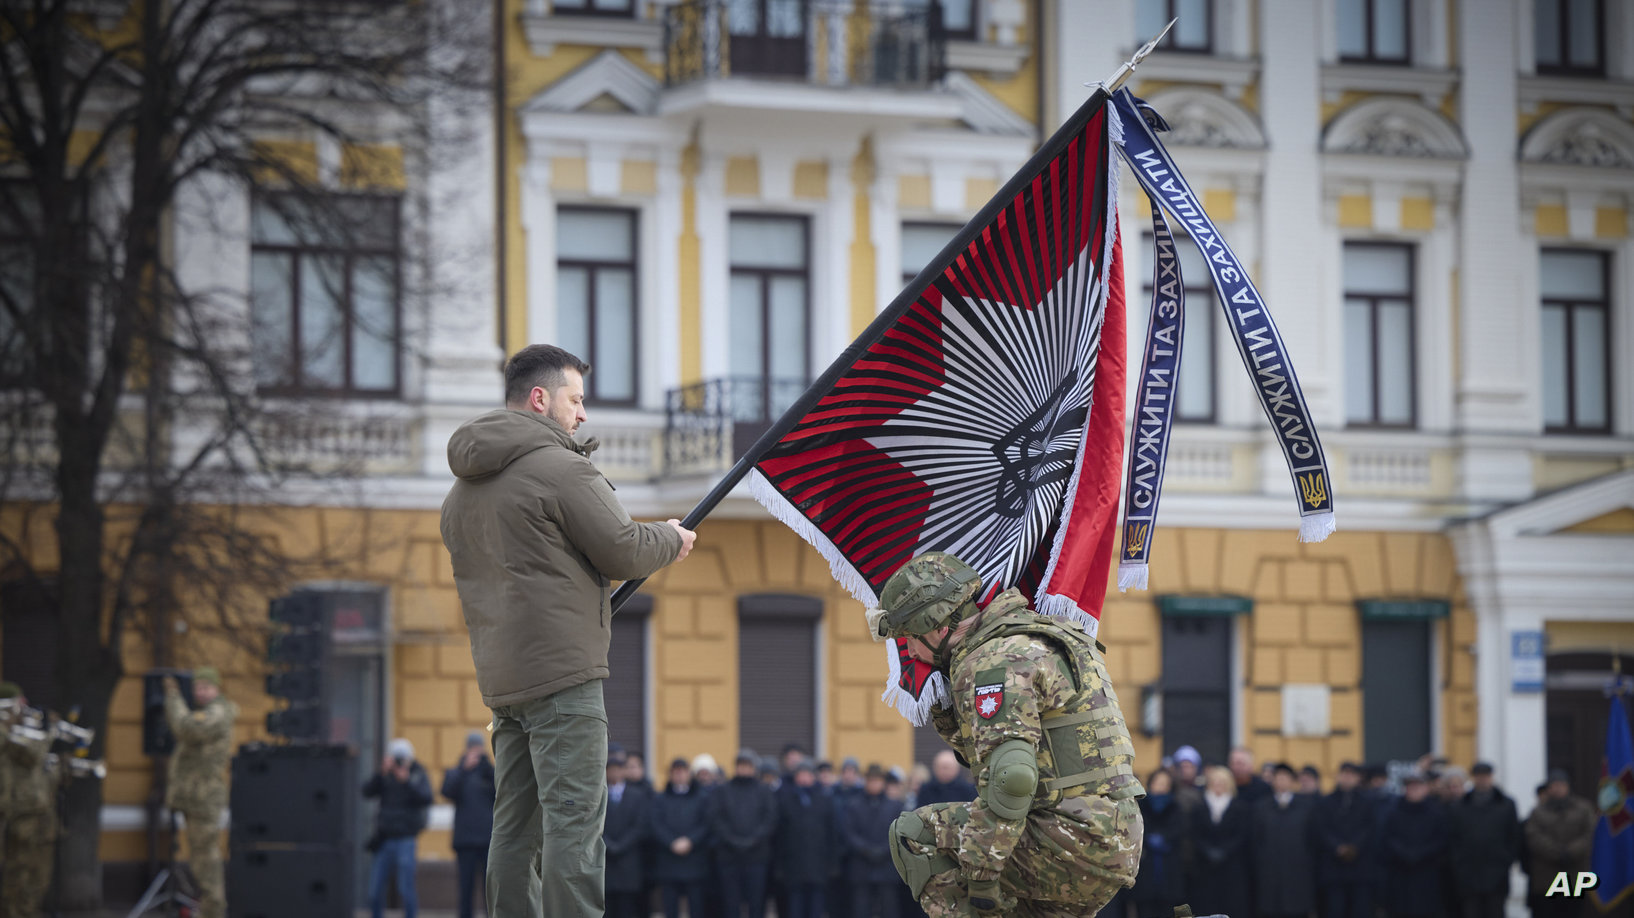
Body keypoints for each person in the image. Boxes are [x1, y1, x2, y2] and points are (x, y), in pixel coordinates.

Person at [440, 343, 695, 918]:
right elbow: (624, 548)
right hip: (564, 680)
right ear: (540, 398)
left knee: (513, 831)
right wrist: (672, 537)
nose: (582, 414)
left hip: (504, 683)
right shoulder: (561, 468)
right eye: (575, 400)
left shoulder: (461, 492)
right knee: (574, 827)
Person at [876, 552, 1144, 917]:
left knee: (912, 833)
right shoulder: (1040, 636)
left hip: (1068, 839)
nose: (908, 651)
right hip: (1113, 837)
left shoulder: (991, 660)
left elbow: (1013, 778)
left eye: (910, 637)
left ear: (937, 627)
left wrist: (982, 875)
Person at [162, 667, 238, 918]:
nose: (200, 692)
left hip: (204, 799)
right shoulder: (205, 711)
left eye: (206, 687)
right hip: (195, 798)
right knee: (199, 859)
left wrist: (173, 697)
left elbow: (187, 728)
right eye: (197, 687)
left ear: (217, 689)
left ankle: (213, 911)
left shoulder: (218, 712)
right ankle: (208, 910)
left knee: (205, 860)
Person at [1, 683, 59, 918]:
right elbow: (33, 755)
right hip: (18, 814)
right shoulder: (8, 735)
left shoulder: (15, 734)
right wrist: (48, 731)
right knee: (17, 873)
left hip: (33, 813)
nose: (22, 711)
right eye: (18, 706)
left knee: (34, 876)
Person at [363, 738, 434, 918]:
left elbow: (426, 798)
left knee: (406, 888)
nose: (399, 763)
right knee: (374, 891)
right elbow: (367, 792)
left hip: (406, 838)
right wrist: (381, 773)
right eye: (396, 759)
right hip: (384, 839)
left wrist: (407, 781)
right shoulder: (386, 775)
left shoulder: (417, 772)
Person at [711, 749, 779, 918]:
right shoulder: (723, 790)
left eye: (747, 765)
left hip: (757, 857)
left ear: (754, 768)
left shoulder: (763, 791)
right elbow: (716, 818)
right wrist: (733, 840)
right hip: (729, 856)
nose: (744, 769)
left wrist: (753, 840)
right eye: (741, 765)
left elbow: (770, 818)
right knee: (730, 903)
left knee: (757, 902)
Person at [1447, 761, 1518, 918]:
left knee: (1495, 911)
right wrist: (1460, 864)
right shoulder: (1460, 806)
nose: (1482, 780)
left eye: (1486, 776)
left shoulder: (1506, 804)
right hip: (1468, 874)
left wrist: (1505, 860)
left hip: (1497, 872)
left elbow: (1514, 836)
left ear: (1491, 777)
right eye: (1479, 776)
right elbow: (1453, 839)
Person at [1525, 768, 1597, 918]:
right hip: (1547, 876)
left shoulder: (1583, 809)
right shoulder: (1538, 812)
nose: (1557, 789)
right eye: (1554, 785)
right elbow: (1534, 837)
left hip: (1575, 873)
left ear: (1567, 787)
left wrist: (1571, 851)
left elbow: (1590, 834)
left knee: (1574, 912)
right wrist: (1556, 852)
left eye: (1561, 785)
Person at [1251, 762, 1317, 918]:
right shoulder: (1261, 807)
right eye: (1278, 777)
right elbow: (1255, 842)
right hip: (1269, 874)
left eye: (1285, 777)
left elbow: (1313, 841)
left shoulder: (1306, 807)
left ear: (1292, 781)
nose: (1281, 781)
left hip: (1298, 874)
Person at [1377, 771, 1447, 918]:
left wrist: (1421, 854)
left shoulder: (1436, 812)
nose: (1414, 790)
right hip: (1399, 873)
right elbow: (1386, 838)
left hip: (1427, 873)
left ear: (1426, 788)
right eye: (1410, 786)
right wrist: (1403, 853)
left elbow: (1441, 840)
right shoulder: (1393, 812)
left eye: (1418, 786)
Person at [774, 758, 838, 918]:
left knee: (816, 908)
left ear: (813, 777)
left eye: (807, 774)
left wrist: (833, 864)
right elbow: (779, 835)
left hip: (819, 866)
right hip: (793, 867)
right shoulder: (786, 800)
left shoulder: (825, 800)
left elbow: (833, 833)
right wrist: (779, 866)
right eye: (800, 775)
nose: (803, 778)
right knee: (795, 909)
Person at [442, 732, 496, 918]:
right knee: (465, 889)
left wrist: (488, 767)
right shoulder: (456, 771)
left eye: (478, 747)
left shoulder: (489, 771)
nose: (476, 751)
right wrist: (464, 769)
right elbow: (447, 791)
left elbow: (502, 790)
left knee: (490, 890)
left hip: (487, 840)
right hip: (465, 841)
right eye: (472, 747)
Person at [1187, 765, 1253, 918]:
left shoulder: (1240, 807)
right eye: (1215, 781)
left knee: (1231, 907)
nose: (1218, 785)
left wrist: (1224, 851)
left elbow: (1242, 834)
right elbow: (1194, 833)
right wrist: (1207, 851)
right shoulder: (1199, 807)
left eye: (1222, 782)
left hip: (1232, 867)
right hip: (1205, 867)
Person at [651, 758, 712, 918]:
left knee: (697, 908)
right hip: (668, 861)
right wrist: (671, 842)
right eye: (675, 771)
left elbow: (706, 824)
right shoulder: (660, 798)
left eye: (683, 771)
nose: (679, 775)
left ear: (689, 774)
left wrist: (690, 841)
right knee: (670, 908)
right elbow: (656, 824)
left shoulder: (702, 797)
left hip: (694, 860)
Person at [1313, 762, 1375, 918]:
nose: (1347, 778)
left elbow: (1370, 828)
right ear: (1338, 776)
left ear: (1358, 778)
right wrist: (1338, 847)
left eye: (1351, 774)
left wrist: (1355, 847)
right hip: (1333, 869)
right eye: (1344, 773)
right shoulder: (1326, 802)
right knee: (1334, 909)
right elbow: (1321, 829)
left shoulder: (1367, 802)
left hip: (1360, 869)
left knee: (1360, 910)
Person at [844, 764, 904, 918]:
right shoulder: (853, 805)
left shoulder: (895, 806)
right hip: (861, 867)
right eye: (871, 780)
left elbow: (899, 833)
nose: (874, 784)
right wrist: (866, 850)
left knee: (889, 909)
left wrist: (884, 850)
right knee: (861, 909)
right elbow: (849, 833)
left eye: (877, 781)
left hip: (887, 866)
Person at [1131, 768, 1187, 918]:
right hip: (1145, 867)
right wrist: (1149, 839)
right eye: (1158, 783)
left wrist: (1164, 839)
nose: (1161, 787)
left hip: (1169, 870)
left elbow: (1179, 832)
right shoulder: (1140, 806)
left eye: (1165, 784)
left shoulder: (1176, 807)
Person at [604, 749, 651, 918]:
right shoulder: (599, 795)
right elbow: (595, 824)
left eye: (618, 769)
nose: (614, 773)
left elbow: (640, 825)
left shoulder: (637, 795)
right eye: (611, 769)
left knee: (628, 908)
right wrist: (608, 844)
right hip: (606, 860)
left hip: (629, 861)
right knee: (607, 907)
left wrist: (621, 845)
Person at [1170, 745, 1203, 813]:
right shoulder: (1169, 790)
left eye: (1189, 767)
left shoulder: (1203, 792)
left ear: (1196, 769)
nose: (1185, 771)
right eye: (1182, 767)